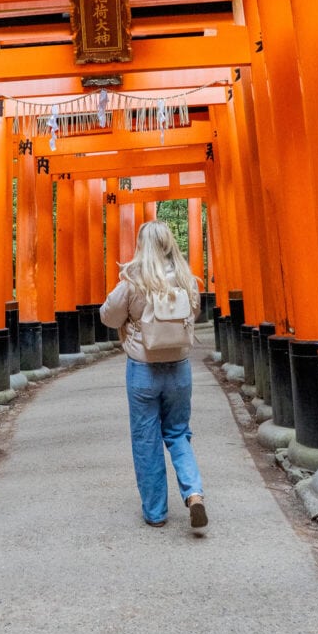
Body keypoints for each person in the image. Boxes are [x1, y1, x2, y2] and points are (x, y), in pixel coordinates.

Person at [99, 220, 208, 530]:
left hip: (143, 369)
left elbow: (109, 316)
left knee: (146, 440)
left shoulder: (133, 281)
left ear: (141, 246)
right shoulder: (188, 280)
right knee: (177, 432)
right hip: (179, 369)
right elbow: (194, 313)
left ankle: (156, 512)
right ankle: (194, 492)